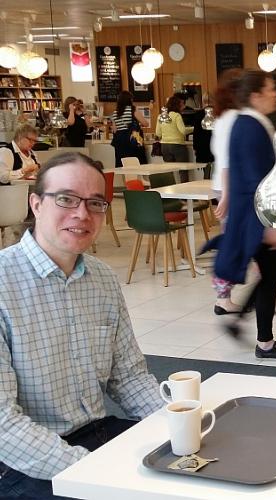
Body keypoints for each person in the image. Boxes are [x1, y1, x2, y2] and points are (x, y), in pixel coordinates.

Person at [0, 152, 163, 499]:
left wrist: (175, 422)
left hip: (96, 433)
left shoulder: (102, 277)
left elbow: (129, 377)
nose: (81, 214)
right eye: (66, 199)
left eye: (94, 203)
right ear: (36, 204)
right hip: (18, 462)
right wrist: (89, 470)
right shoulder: (3, 283)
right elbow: (3, 426)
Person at [212, 69, 276, 361]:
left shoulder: (247, 123)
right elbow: (255, 180)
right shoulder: (250, 127)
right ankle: (262, 341)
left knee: (274, 271)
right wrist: (269, 224)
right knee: (275, 271)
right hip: (256, 217)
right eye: (271, 88)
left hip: (253, 215)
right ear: (255, 95)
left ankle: (246, 328)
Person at [209, 69, 243, 315]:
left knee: (233, 242)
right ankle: (222, 296)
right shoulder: (232, 120)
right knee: (232, 244)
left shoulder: (223, 119)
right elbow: (227, 162)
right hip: (232, 189)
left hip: (228, 187)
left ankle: (225, 295)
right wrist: (228, 196)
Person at [111, 90, 147, 167]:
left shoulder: (115, 112)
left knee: (122, 163)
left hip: (120, 141)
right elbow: (145, 123)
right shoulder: (132, 109)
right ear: (130, 99)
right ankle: (137, 178)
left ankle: (126, 178)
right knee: (137, 161)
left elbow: (114, 130)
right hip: (133, 138)